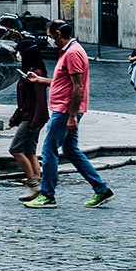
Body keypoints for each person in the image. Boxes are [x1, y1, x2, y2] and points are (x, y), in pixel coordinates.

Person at [24, 21, 114, 209]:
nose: (49, 40)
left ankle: (47, 195)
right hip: (66, 109)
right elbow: (63, 82)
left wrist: (72, 116)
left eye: (50, 36)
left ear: (58, 34)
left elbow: (78, 86)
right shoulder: (69, 50)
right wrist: (39, 79)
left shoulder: (72, 53)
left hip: (65, 110)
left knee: (49, 150)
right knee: (71, 150)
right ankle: (101, 189)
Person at [2, 25, 49, 199]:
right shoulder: (31, 72)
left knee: (15, 149)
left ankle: (33, 184)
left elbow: (39, 101)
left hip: (32, 119)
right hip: (30, 117)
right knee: (30, 150)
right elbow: (27, 101)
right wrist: (16, 117)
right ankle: (39, 184)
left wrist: (33, 123)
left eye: (20, 53)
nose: (18, 56)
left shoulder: (35, 74)